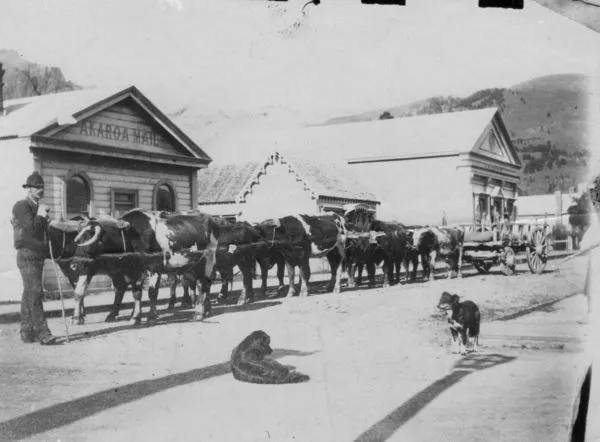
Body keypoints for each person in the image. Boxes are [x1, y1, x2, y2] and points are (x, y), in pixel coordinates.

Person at [11, 171, 59, 345]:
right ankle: (43, 333)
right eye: (36, 187)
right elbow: (30, 228)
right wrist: (41, 216)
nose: (40, 190)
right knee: (36, 293)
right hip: (27, 255)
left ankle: (27, 331)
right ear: (28, 189)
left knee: (29, 294)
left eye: (41, 187)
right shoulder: (21, 206)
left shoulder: (36, 207)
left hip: (37, 256)